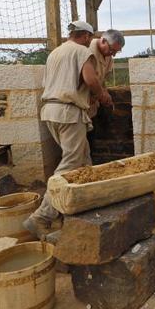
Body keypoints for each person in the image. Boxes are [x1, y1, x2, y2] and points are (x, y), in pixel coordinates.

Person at [23, 20, 113, 239]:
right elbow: (90, 79)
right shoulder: (82, 51)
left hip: (51, 112)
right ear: (85, 36)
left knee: (83, 161)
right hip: (69, 113)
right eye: (88, 39)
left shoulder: (54, 53)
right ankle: (41, 217)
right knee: (70, 164)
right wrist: (102, 95)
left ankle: (81, 210)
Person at [88, 29, 125, 118]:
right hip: (79, 106)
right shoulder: (87, 51)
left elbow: (102, 80)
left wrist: (105, 91)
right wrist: (101, 94)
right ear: (103, 41)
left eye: (117, 51)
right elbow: (89, 80)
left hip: (91, 108)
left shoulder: (108, 56)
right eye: (112, 50)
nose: (114, 55)